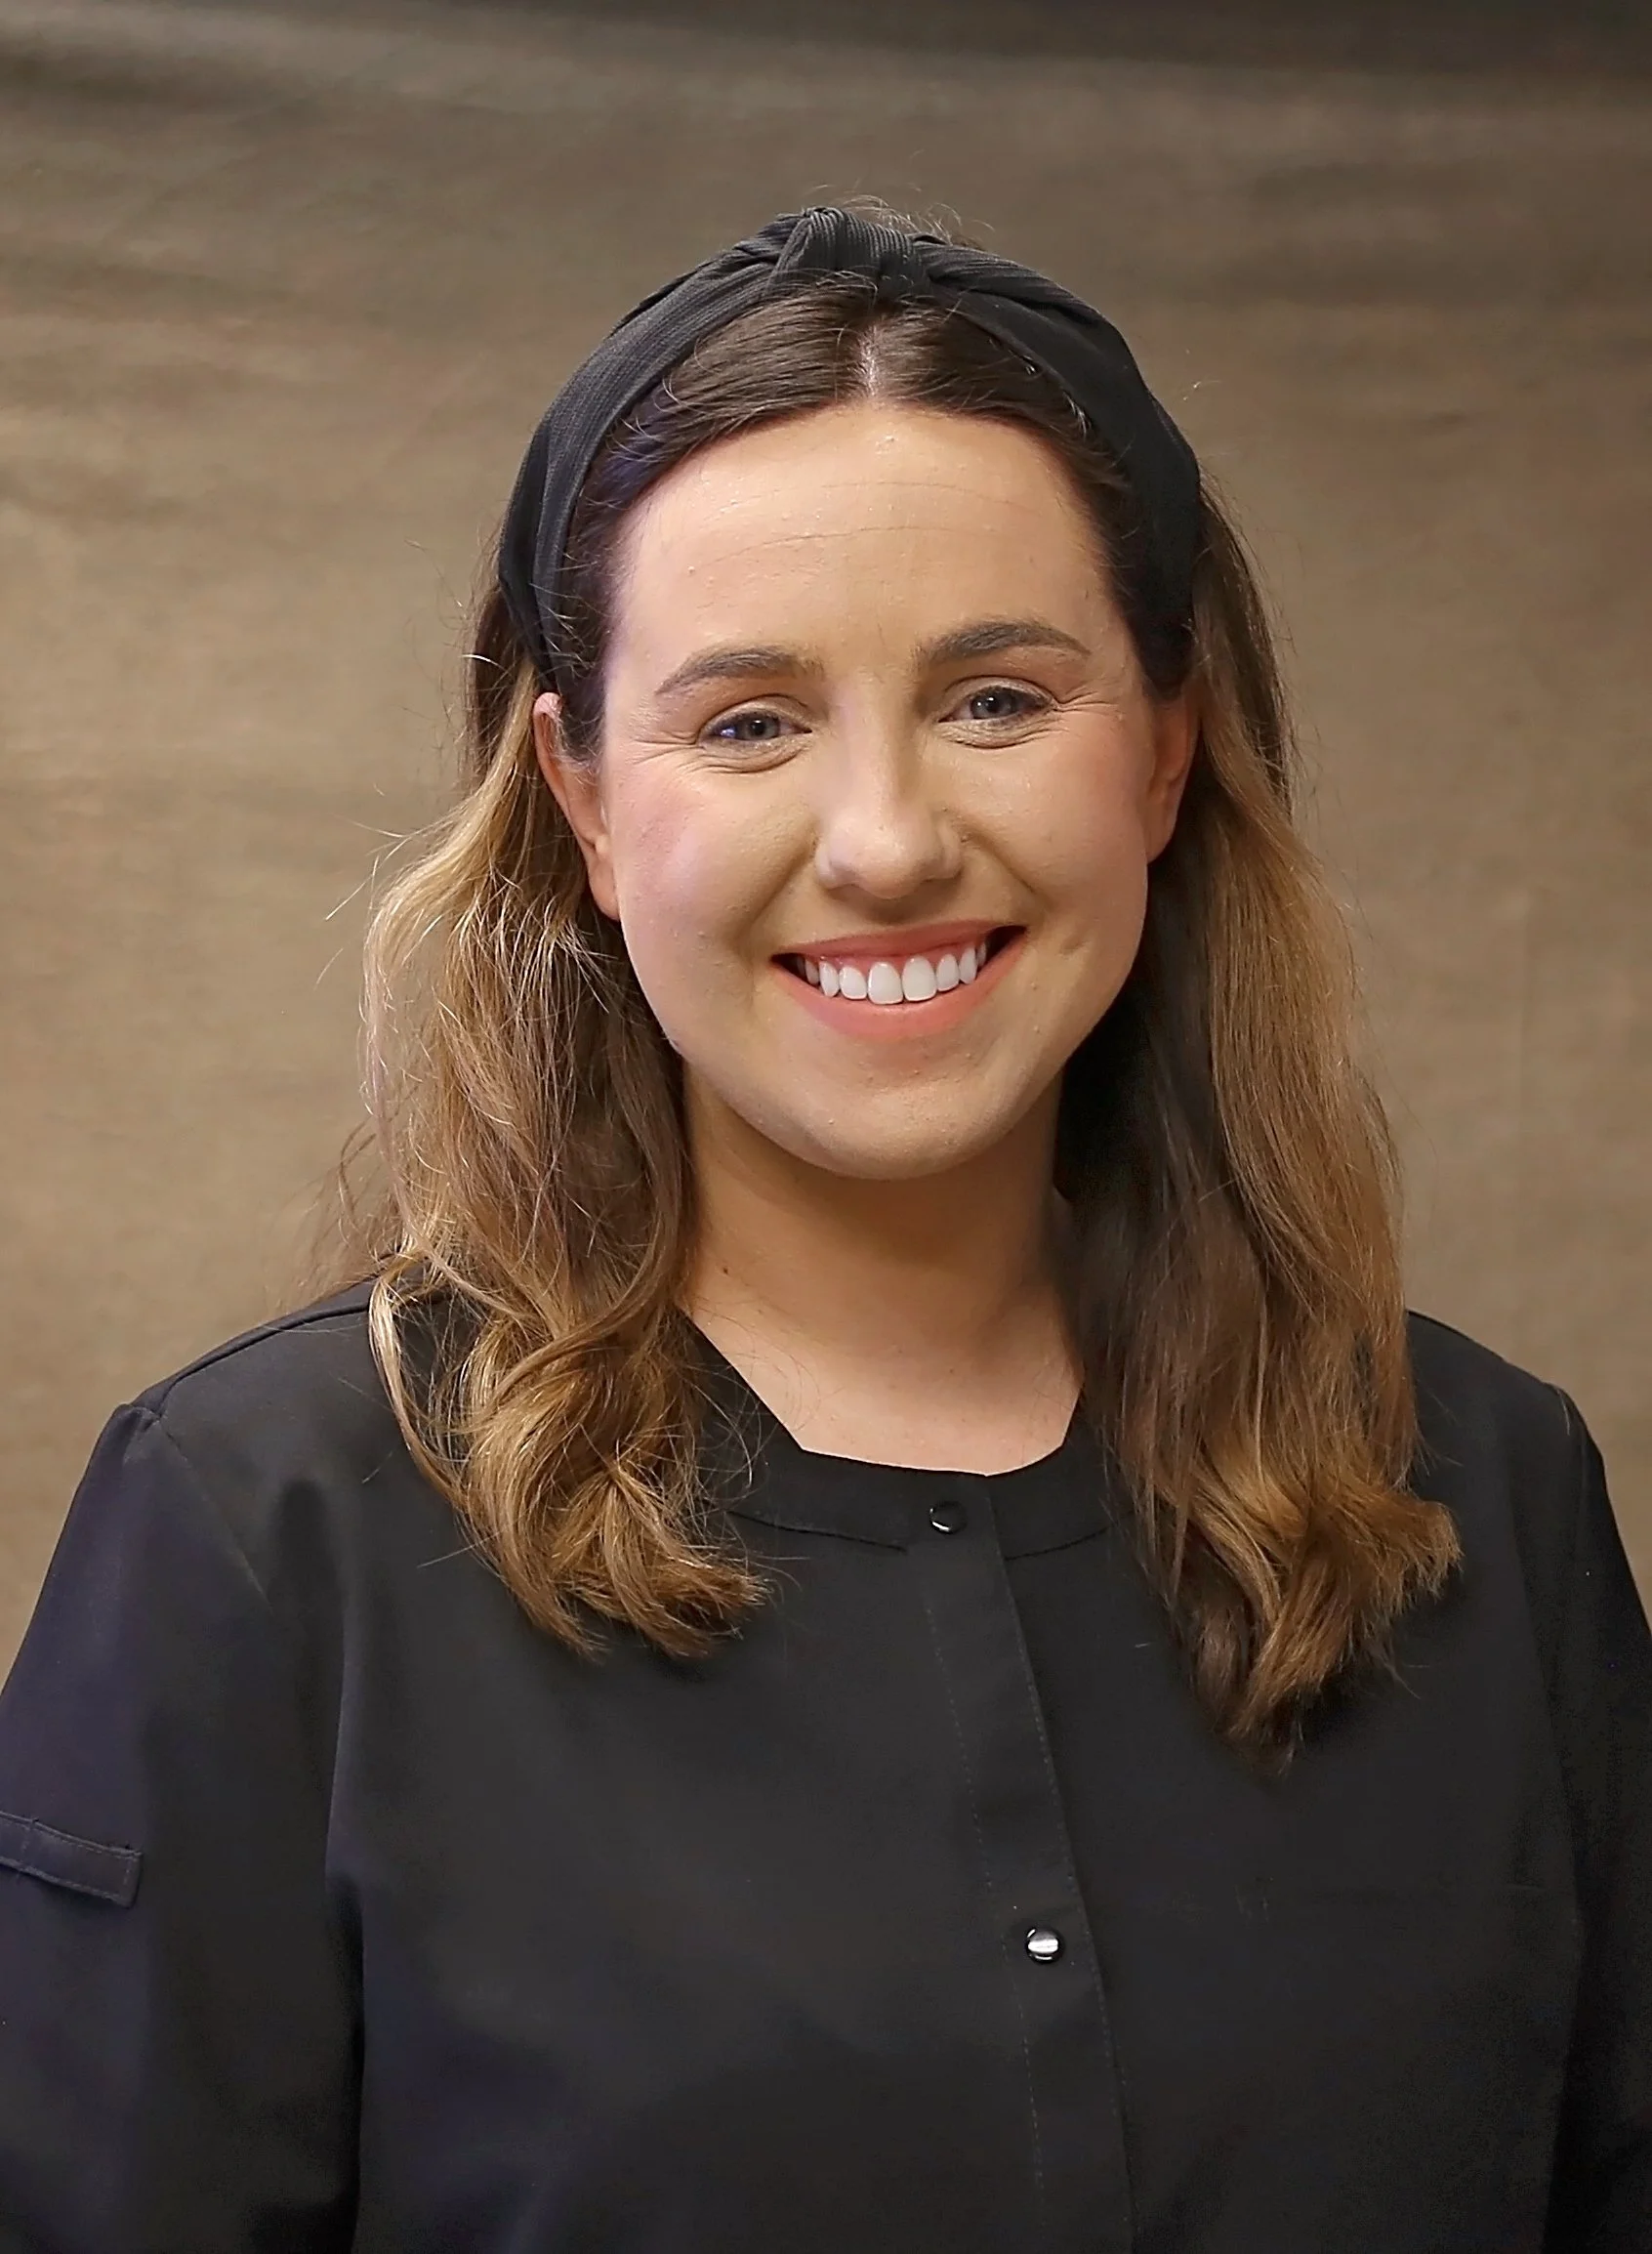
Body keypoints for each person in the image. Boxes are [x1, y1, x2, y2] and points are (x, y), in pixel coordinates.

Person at [0, 203, 1646, 2254]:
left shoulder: (1491, 1496)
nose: (883, 840)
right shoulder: (263, 1537)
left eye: (996, 697)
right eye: (750, 719)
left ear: (1164, 754)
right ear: (585, 805)